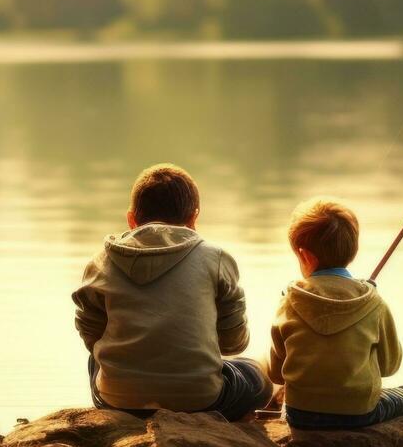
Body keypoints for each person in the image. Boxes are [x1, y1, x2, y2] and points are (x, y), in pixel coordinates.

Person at [73, 163, 271, 420]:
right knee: (257, 375)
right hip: (201, 401)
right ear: (194, 218)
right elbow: (233, 343)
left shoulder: (100, 262)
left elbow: (91, 335)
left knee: (95, 361)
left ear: (131, 219)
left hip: (118, 401)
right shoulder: (216, 259)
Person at [267, 198, 403, 429]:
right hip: (359, 413)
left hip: (300, 415)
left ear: (304, 255)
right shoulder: (372, 302)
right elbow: (390, 366)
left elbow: (276, 374)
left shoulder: (288, 301)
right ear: (353, 250)